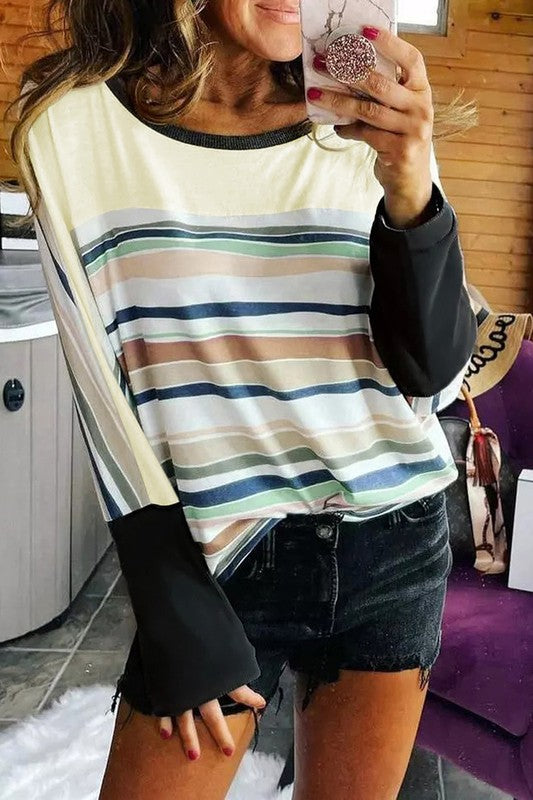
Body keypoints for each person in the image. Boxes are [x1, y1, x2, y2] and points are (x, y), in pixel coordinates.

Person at [5, 2, 478, 798]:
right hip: (217, 554)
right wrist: (169, 600)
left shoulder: (360, 117)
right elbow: (101, 393)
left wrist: (410, 186)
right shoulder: (71, 129)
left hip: (392, 542)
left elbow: (430, 375)